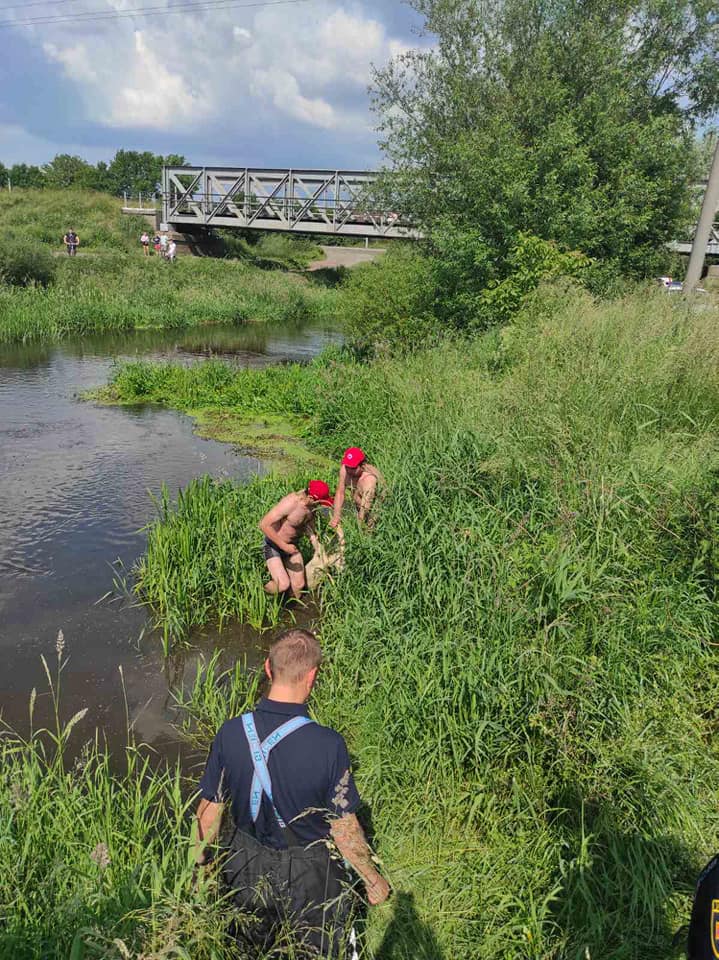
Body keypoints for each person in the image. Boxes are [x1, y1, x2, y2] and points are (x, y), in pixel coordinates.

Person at [196, 628, 391, 957]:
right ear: (312, 676)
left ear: (268, 669)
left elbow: (209, 814)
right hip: (310, 874)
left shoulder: (230, 733)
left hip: (245, 866)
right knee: (320, 948)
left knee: (248, 949)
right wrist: (373, 882)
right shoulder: (329, 745)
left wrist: (201, 868)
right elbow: (344, 830)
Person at [259, 480, 333, 598]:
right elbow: (264, 524)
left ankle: (288, 609)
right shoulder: (291, 503)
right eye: (319, 502)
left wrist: (316, 544)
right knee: (283, 585)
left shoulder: (312, 508)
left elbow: (308, 527)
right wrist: (284, 546)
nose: (320, 505)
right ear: (310, 497)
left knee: (299, 585)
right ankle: (260, 589)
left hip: (292, 546)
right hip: (274, 545)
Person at [330, 447, 384, 529]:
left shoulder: (369, 479)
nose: (349, 470)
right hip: (359, 500)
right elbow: (340, 493)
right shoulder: (345, 470)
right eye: (348, 466)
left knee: (369, 526)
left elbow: (365, 506)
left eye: (353, 468)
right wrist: (336, 517)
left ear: (362, 465)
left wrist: (359, 524)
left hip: (375, 505)